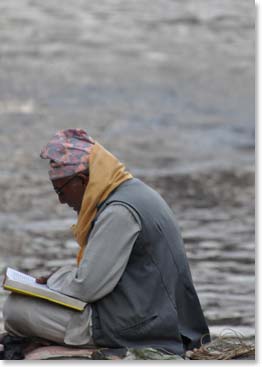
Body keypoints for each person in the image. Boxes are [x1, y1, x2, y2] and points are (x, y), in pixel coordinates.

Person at [3, 128, 210, 357]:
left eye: (60, 190)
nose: (61, 200)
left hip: (143, 325)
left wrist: (52, 280)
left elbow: (87, 287)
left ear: (82, 181)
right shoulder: (134, 192)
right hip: (156, 314)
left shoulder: (119, 212)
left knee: (15, 308)